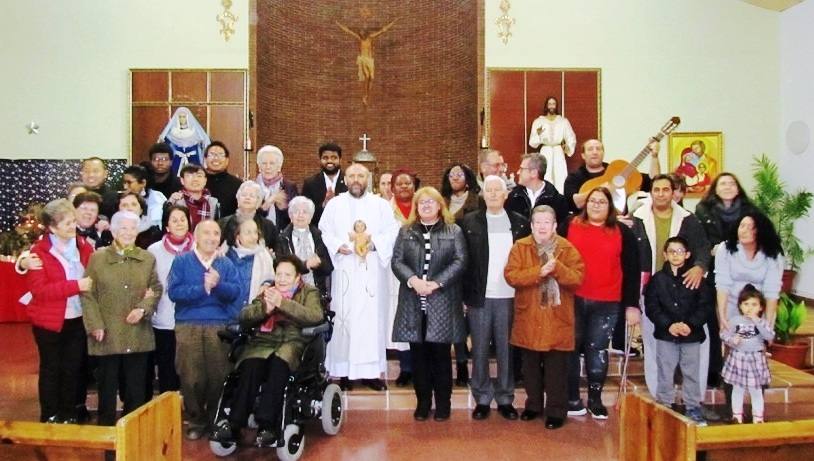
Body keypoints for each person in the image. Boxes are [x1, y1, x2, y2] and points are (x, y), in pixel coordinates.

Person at [211, 255, 324, 447]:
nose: (281, 279)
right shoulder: (267, 291)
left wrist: (283, 303)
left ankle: (267, 425)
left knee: (278, 367)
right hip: (263, 342)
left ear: (297, 277)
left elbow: (314, 316)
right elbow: (244, 315)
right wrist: (265, 307)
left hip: (291, 342)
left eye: (287, 275)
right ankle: (234, 424)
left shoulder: (309, 292)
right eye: (279, 274)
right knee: (249, 367)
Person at [560, 187, 640, 419]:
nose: (596, 205)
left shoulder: (622, 232)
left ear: (610, 207)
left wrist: (632, 305)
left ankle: (595, 398)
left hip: (607, 302)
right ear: (585, 204)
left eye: (602, 202)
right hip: (572, 298)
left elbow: (632, 270)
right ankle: (572, 398)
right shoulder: (569, 225)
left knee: (597, 349)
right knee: (571, 348)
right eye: (592, 201)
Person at [319, 163, 399, 391]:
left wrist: (374, 244)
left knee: (371, 321)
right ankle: (344, 372)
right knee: (345, 318)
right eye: (352, 175)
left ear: (368, 179)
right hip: (345, 270)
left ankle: (371, 373)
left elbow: (392, 231)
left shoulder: (381, 205)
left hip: (372, 270)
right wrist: (339, 246)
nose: (356, 179)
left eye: (361, 176)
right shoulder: (335, 204)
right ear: (345, 179)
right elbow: (325, 230)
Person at [391, 186, 467, 421]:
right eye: (421, 202)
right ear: (416, 207)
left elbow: (460, 260)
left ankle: (443, 405)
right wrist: (413, 280)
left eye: (430, 202)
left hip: (442, 301)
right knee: (419, 358)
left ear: (439, 206)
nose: (425, 206)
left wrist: (436, 283)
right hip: (414, 303)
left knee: (441, 358)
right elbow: (397, 261)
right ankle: (423, 403)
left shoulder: (453, 231)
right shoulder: (406, 231)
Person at [505, 205, 584, 429]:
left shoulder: (566, 249)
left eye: (546, 222)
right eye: (537, 222)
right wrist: (538, 273)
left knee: (556, 370)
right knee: (529, 368)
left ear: (554, 226)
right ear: (531, 225)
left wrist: (556, 268)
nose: (541, 226)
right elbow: (511, 275)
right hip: (528, 314)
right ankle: (533, 405)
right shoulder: (520, 247)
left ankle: (557, 411)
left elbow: (578, 278)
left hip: (556, 317)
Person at [631, 174, 711, 397]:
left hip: (686, 289)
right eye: (656, 190)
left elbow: (703, 248)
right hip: (653, 289)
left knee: (697, 344)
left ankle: (696, 399)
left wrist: (699, 267)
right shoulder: (637, 218)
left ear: (673, 192)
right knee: (654, 342)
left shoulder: (688, 219)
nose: (661, 194)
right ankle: (659, 395)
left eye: (666, 190)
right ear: (651, 192)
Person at [81, 211, 162, 426]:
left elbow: (155, 289)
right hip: (107, 333)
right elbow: (88, 293)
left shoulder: (147, 258)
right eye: (123, 228)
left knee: (135, 390)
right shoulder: (98, 258)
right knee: (107, 391)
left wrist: (143, 309)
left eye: (132, 228)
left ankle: (133, 435)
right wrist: (95, 324)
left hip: (137, 334)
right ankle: (107, 436)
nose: (128, 232)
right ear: (114, 231)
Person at [460, 175, 530, 421]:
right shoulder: (469, 222)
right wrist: (464, 296)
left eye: (496, 190)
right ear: (482, 194)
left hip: (510, 296)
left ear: (505, 194)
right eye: (487, 190)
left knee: (506, 350)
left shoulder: (520, 223)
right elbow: (464, 262)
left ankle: (505, 398)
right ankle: (481, 398)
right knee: (479, 349)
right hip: (480, 296)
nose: (492, 194)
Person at [168, 220, 241, 440]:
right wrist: (203, 288)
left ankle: (216, 418)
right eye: (206, 233)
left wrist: (218, 285)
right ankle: (196, 420)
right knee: (191, 375)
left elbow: (236, 292)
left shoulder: (226, 264)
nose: (211, 237)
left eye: (216, 233)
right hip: (188, 325)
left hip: (218, 324)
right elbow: (174, 292)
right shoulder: (182, 262)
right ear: (196, 237)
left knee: (219, 375)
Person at [25, 199, 94, 423]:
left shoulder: (83, 245)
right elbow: (40, 291)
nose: (73, 226)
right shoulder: (39, 252)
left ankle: (68, 413)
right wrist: (76, 286)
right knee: (51, 369)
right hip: (49, 321)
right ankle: (50, 414)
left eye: (73, 221)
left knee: (72, 369)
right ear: (52, 228)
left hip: (77, 318)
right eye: (66, 223)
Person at [694, 173, 759, 386]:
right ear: (715, 188)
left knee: (743, 318)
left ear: (738, 188)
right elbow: (702, 239)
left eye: (732, 183)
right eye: (723, 183)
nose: (728, 186)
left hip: (744, 270)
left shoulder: (751, 211)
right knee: (715, 320)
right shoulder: (703, 210)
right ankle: (715, 369)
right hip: (716, 270)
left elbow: (759, 238)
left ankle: (743, 368)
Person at [644, 236, 714, 427]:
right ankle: (664, 406)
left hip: (692, 335)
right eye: (672, 251)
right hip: (666, 334)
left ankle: (692, 407)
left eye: (680, 251)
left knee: (691, 372)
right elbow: (652, 307)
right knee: (665, 371)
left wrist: (690, 324)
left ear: (688, 254)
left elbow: (705, 306)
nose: (676, 255)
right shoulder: (657, 279)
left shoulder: (697, 279)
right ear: (665, 254)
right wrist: (669, 325)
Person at [146, 205, 193, 395]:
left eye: (183, 219)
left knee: (190, 368)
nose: (179, 223)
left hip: (192, 319)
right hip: (164, 318)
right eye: (174, 220)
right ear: (166, 226)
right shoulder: (154, 250)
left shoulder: (199, 247)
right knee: (167, 367)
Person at [715, 212, 784, 330]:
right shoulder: (725, 249)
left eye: (750, 227)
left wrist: (767, 325)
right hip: (730, 304)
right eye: (742, 226)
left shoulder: (773, 254)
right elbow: (722, 285)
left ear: (761, 231)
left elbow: (772, 290)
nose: (744, 231)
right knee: (732, 341)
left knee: (756, 343)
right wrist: (722, 316)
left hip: (758, 308)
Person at [386, 168, 420, 387]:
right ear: (392, 188)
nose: (404, 187)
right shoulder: (385, 210)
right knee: (402, 318)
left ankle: (420, 367)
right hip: (394, 272)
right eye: (400, 184)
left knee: (420, 319)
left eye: (408, 183)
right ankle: (406, 367)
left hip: (422, 272)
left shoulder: (424, 207)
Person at [721, 284, 773, 424]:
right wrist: (732, 340)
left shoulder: (762, 322)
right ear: (740, 306)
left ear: (761, 307)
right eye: (746, 304)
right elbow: (724, 335)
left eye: (754, 304)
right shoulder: (735, 321)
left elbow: (769, 336)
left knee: (756, 389)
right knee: (737, 389)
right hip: (738, 358)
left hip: (755, 359)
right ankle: (736, 415)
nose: (749, 308)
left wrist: (757, 322)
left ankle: (758, 417)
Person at [563, 139, 660, 214]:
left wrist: (654, 157)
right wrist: (602, 190)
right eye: (590, 149)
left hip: (619, 223)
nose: (595, 152)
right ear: (583, 155)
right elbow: (575, 202)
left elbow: (655, 182)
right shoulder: (574, 177)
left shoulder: (617, 170)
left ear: (603, 153)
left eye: (598, 149)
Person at [275, 196, 334, 298]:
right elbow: (281, 268)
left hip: (316, 294)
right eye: (296, 211)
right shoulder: (282, 239)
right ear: (290, 216)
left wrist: (318, 263)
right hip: (290, 294)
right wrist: (306, 265)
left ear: (310, 217)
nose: (300, 215)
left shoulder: (318, 236)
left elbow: (329, 268)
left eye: (305, 212)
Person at [335, 18, 398, 105]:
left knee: (371, 78)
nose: (361, 33)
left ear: (365, 33)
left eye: (362, 32)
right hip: (363, 59)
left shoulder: (370, 38)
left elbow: (383, 30)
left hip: (370, 60)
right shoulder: (359, 39)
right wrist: (338, 23)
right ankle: (364, 96)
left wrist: (394, 22)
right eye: (360, 32)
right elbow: (348, 31)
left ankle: (367, 96)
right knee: (367, 77)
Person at [225, 216, 276, 313]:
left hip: (253, 314)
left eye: (255, 232)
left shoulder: (263, 256)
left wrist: (266, 286)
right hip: (227, 314)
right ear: (237, 235)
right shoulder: (225, 256)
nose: (254, 237)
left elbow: (271, 279)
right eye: (248, 233)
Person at [528, 96, 577, 194]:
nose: (551, 106)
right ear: (546, 106)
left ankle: (560, 199)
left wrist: (567, 148)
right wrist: (539, 134)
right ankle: (545, 197)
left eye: (553, 104)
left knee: (560, 175)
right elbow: (533, 141)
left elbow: (570, 137)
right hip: (545, 150)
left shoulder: (563, 121)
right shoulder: (539, 121)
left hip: (558, 151)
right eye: (549, 104)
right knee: (545, 174)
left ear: (556, 106)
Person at [505, 153, 568, 223]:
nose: (518, 172)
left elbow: (561, 230)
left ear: (534, 173)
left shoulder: (558, 201)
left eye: (521, 169)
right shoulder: (513, 197)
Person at [218, 181, 279, 250]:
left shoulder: (268, 226)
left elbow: (275, 249)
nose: (247, 198)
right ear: (238, 200)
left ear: (258, 202)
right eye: (244, 195)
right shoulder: (223, 223)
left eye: (252, 196)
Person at [302, 143, 347, 224]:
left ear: (340, 160)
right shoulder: (310, 183)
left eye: (334, 158)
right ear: (320, 160)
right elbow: (305, 212)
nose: (329, 161)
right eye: (325, 158)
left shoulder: (349, 182)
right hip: (318, 231)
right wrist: (324, 204)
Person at [255, 145, 299, 230]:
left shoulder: (289, 187)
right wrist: (267, 204)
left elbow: (295, 217)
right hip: (256, 233)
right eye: (264, 163)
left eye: (272, 163)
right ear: (259, 167)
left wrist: (283, 208)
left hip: (280, 235)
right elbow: (247, 216)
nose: (268, 167)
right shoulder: (252, 186)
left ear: (279, 166)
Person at [158, 107, 211, 175]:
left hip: (193, 162)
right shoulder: (171, 134)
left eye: (184, 117)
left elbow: (204, 145)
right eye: (180, 117)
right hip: (175, 162)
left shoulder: (196, 133)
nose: (182, 119)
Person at [166, 164, 221, 229]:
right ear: (182, 180)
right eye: (189, 175)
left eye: (199, 176)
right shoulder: (174, 201)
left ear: (205, 180)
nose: (195, 179)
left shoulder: (213, 203)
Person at [204, 141, 243, 218]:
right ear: (205, 159)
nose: (216, 158)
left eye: (221, 155)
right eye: (211, 155)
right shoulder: (198, 182)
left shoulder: (237, 184)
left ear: (227, 160)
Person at [122, 165, 167, 229]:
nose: (125, 187)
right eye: (124, 182)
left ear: (143, 183)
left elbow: (154, 225)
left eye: (129, 182)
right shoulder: (124, 199)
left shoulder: (156, 198)